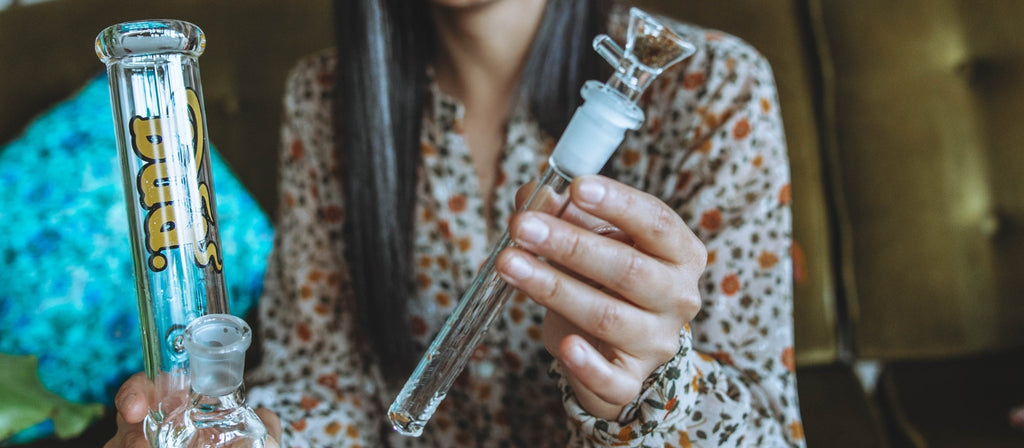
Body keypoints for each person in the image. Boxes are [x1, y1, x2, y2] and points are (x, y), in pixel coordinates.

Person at [107, 0, 805, 446]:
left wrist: (646, 389)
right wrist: (250, 438)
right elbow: (324, 382)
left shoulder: (716, 89)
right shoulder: (326, 99)